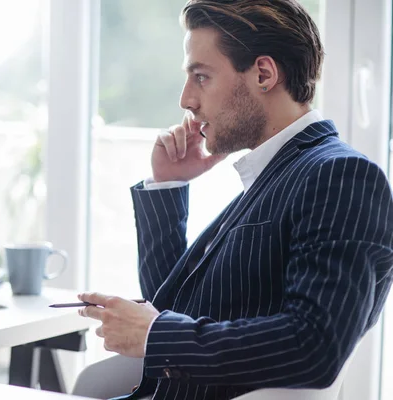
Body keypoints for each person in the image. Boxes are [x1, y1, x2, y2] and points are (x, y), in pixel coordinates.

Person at [77, 1, 393, 399]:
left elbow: (315, 344)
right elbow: (173, 306)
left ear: (263, 73)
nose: (186, 100)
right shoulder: (273, 176)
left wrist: (157, 333)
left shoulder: (339, 176)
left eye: (201, 76)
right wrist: (167, 185)